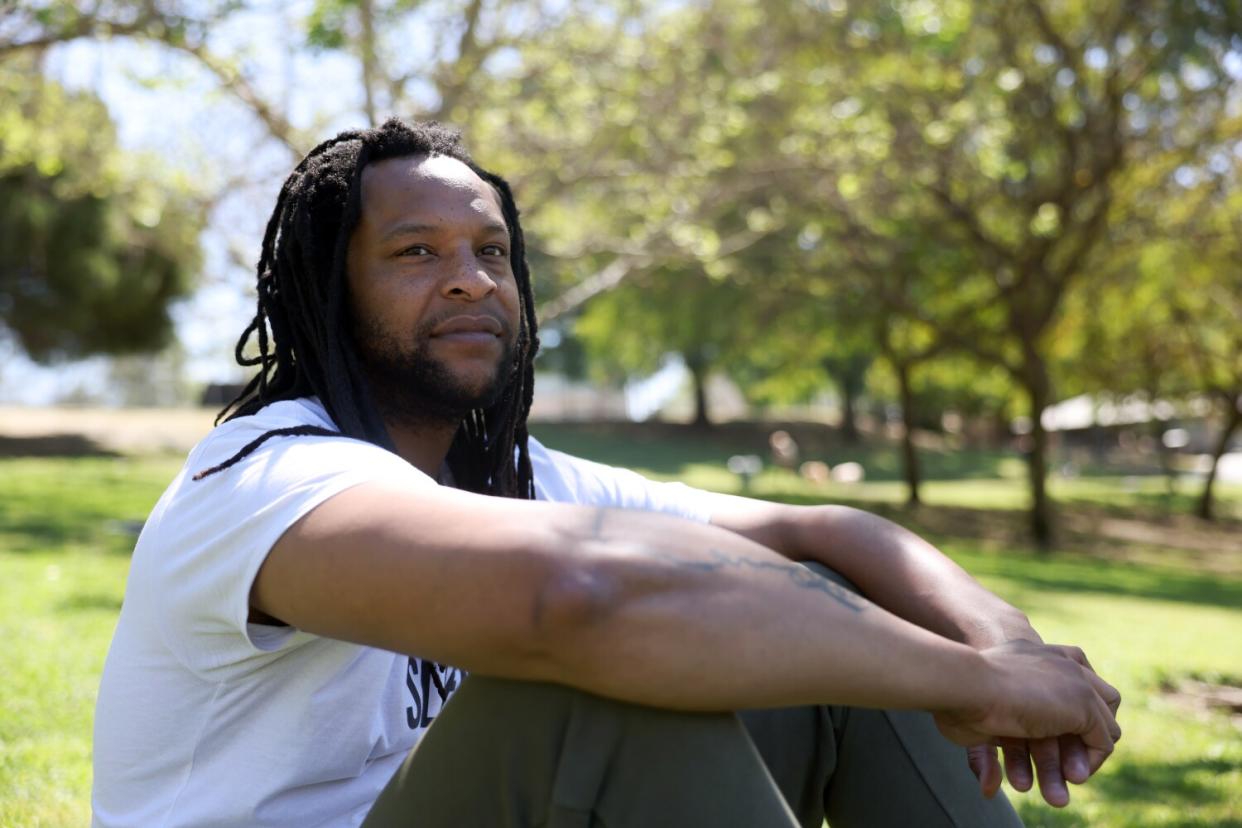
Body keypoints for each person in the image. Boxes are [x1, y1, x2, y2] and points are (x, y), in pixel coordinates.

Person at [92, 119, 1120, 828]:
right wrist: (974, 683)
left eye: (491, 251)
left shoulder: (510, 476)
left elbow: (833, 532)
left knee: (836, 625)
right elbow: (577, 597)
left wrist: (1010, 646)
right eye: (414, 251)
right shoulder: (266, 481)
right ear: (329, 290)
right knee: (601, 690)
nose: (468, 277)